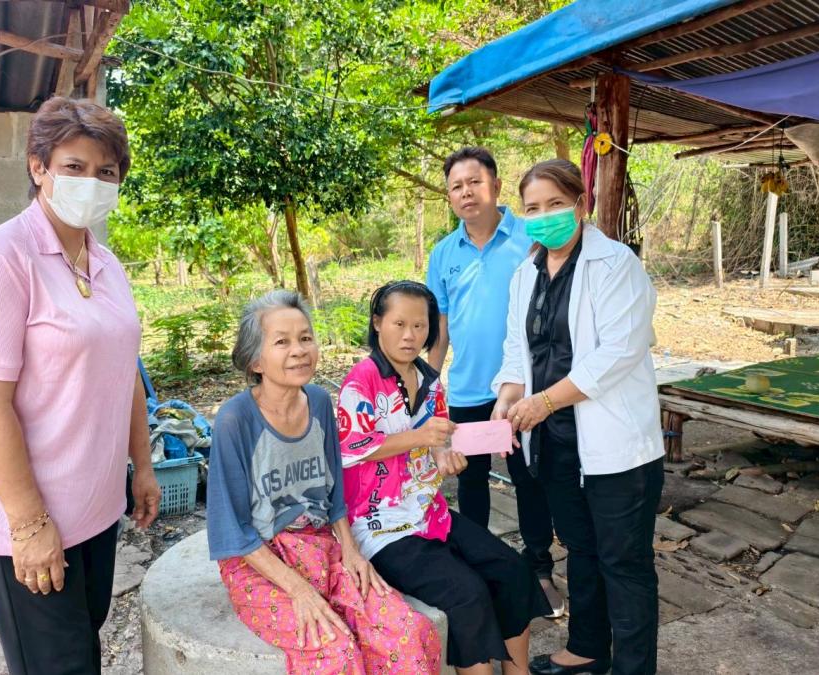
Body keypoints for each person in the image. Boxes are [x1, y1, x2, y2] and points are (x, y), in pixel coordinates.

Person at [0, 97, 161, 675]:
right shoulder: (1, 260)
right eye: (74, 167)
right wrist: (29, 525)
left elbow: (126, 371)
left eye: (106, 171)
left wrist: (141, 465)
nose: (92, 182)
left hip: (96, 509)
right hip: (36, 520)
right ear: (38, 166)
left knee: (81, 653)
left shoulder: (105, 264)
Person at [207, 290, 441, 675]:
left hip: (319, 545)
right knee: (335, 650)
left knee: (406, 631)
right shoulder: (236, 420)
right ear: (254, 360)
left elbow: (334, 493)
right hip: (259, 561)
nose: (299, 350)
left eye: (305, 338)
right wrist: (298, 589)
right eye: (281, 342)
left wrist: (351, 550)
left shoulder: (317, 402)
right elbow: (232, 531)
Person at [492, 159, 665, 675]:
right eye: (533, 208)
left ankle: (633, 668)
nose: (544, 216)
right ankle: (588, 647)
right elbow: (517, 349)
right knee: (583, 549)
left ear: (580, 204)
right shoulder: (525, 273)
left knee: (624, 563)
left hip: (615, 446)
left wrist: (543, 402)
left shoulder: (616, 265)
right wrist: (507, 397)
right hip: (556, 443)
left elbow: (617, 353)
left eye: (555, 204)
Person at [338, 281, 550, 675]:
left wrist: (444, 456)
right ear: (377, 323)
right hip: (381, 527)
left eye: (420, 326)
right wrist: (421, 437)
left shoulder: (429, 379)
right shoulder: (361, 381)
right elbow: (352, 449)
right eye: (399, 324)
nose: (410, 335)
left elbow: (436, 440)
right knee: (467, 594)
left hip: (429, 514)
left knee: (512, 571)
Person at [426, 147, 563, 617]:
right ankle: (478, 567)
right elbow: (440, 328)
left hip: (523, 389)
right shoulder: (443, 254)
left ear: (496, 186)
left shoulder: (530, 237)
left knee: (529, 480)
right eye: (456, 186)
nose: (466, 192)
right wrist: (429, 383)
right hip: (468, 391)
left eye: (474, 182)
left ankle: (539, 569)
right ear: (449, 196)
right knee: (472, 482)